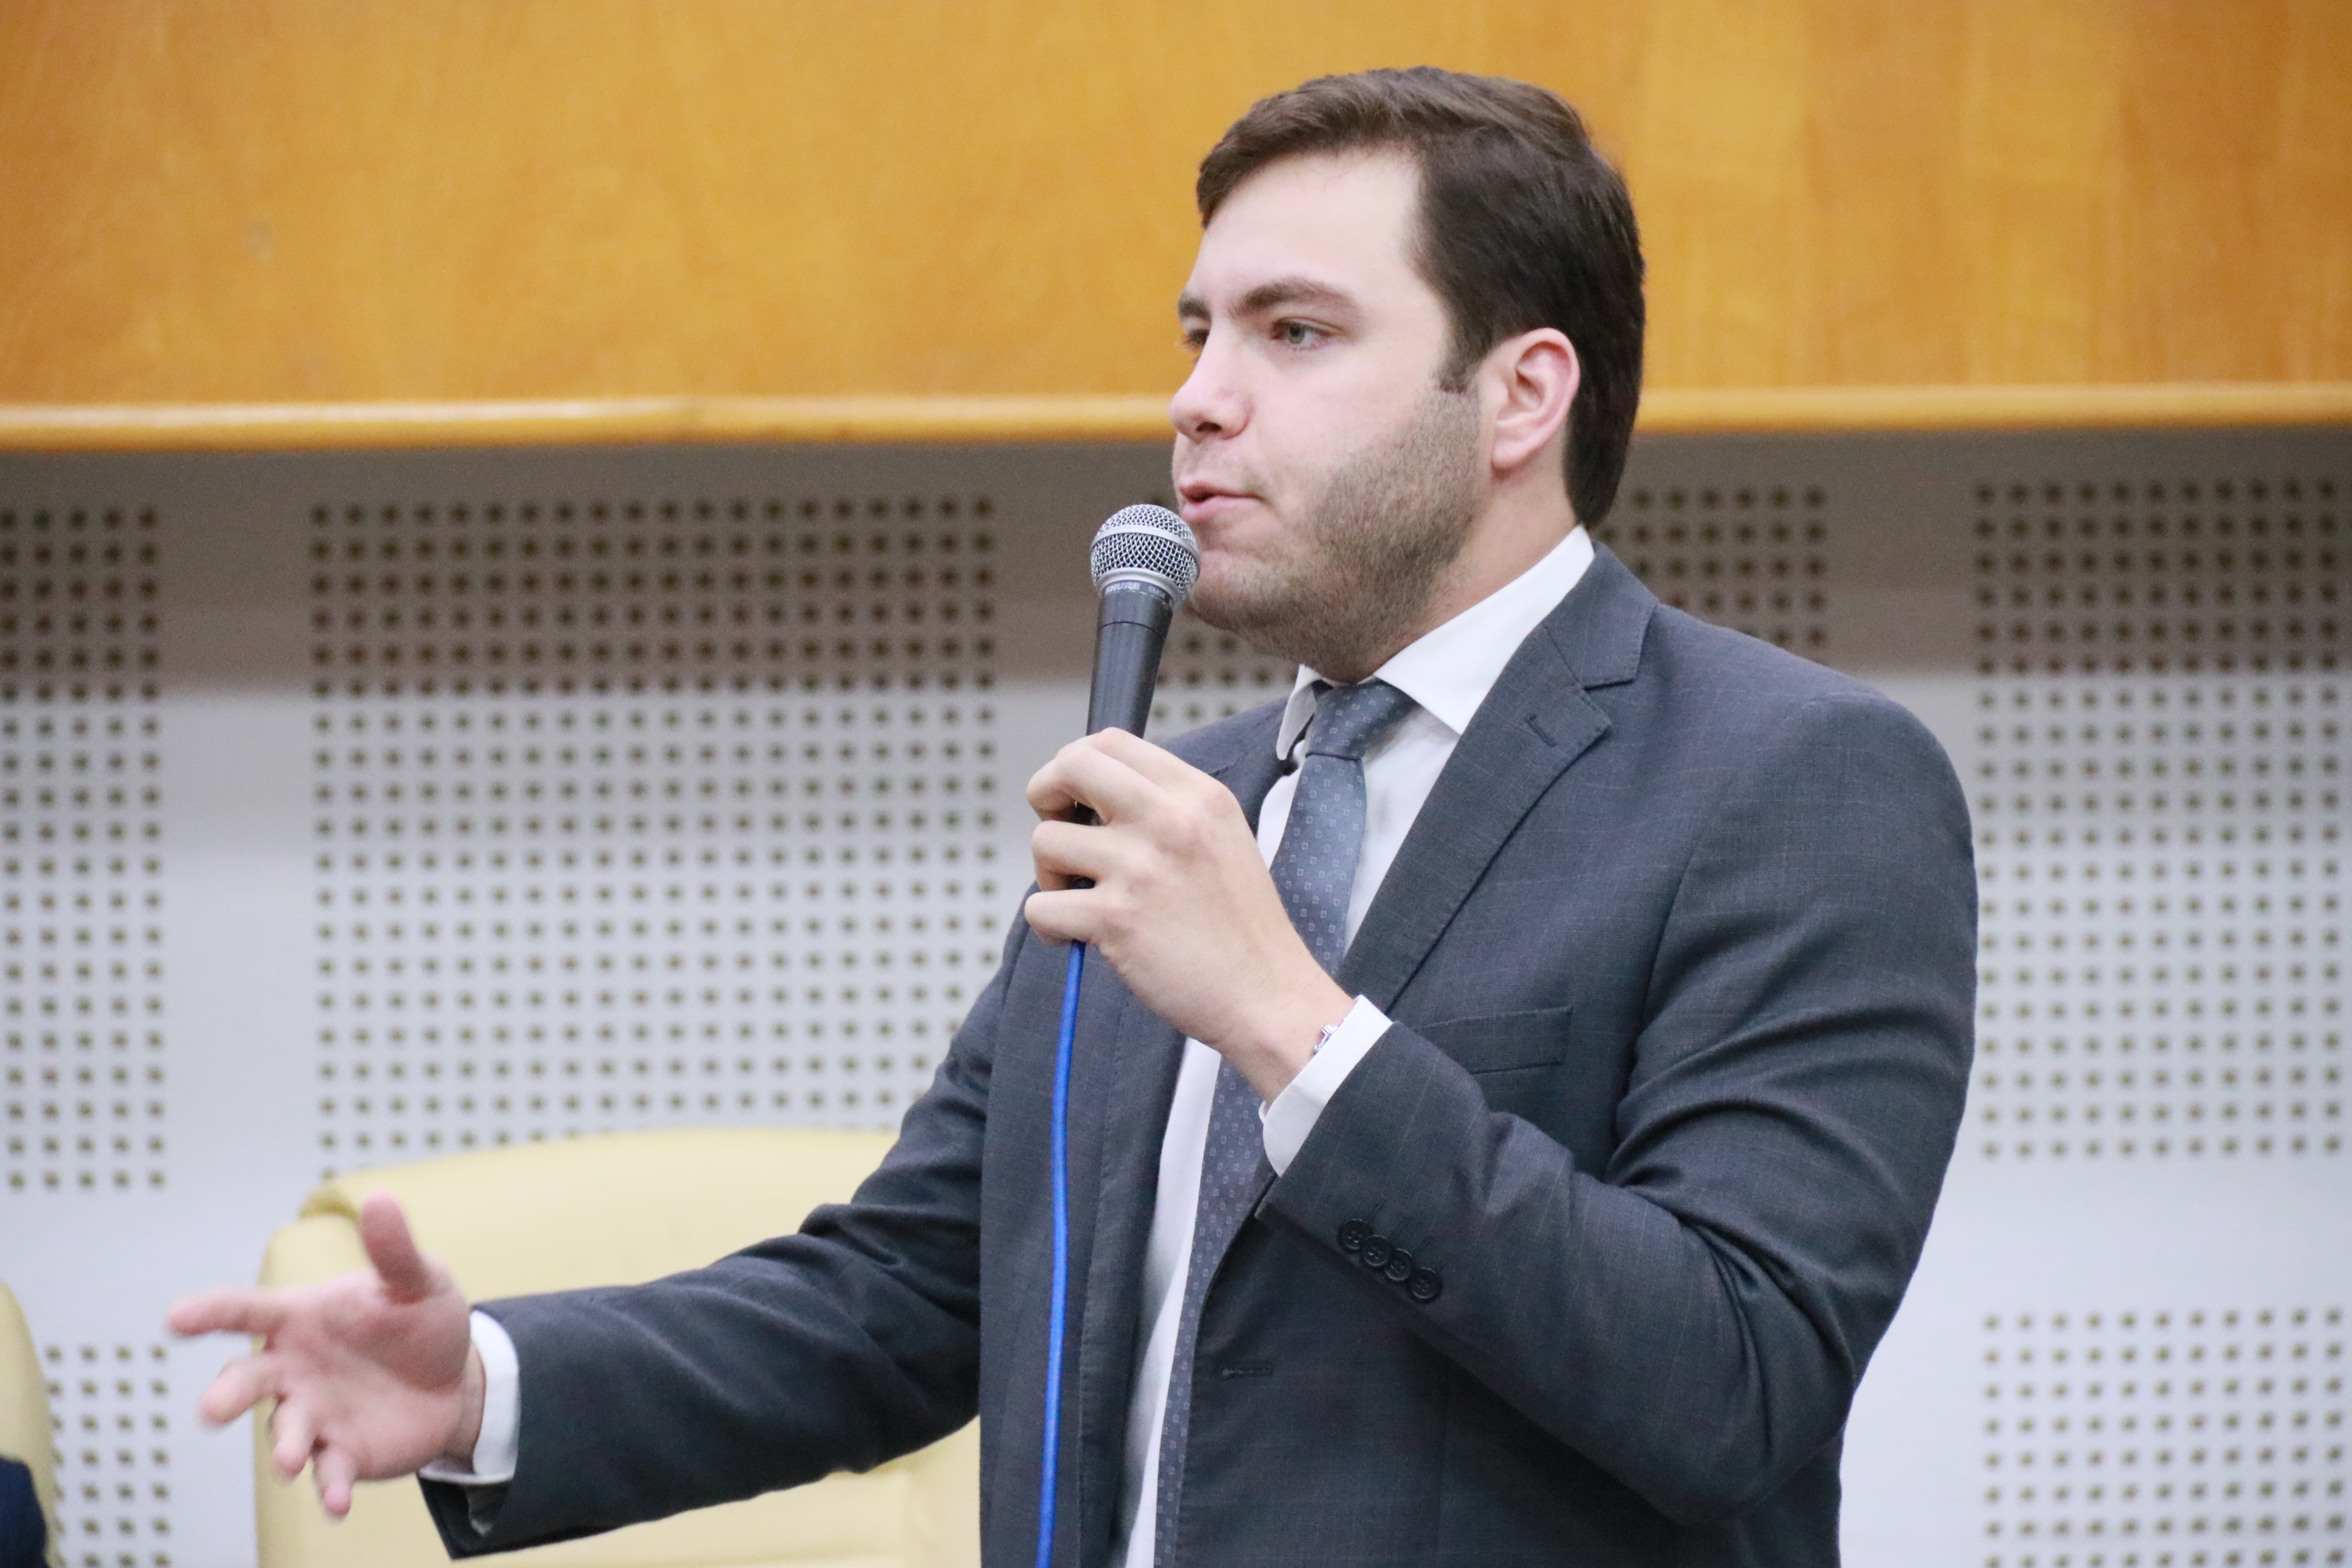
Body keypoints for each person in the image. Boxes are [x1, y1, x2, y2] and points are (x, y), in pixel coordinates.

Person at [171, 67, 1975, 1566]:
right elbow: (908, 1292)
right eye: (1198, 331)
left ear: (1521, 395)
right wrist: (486, 1384)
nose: (1197, 398)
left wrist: (1296, 1028)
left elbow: (1734, 1382)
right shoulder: (1186, 804)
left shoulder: (1791, 781)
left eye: (1294, 331)